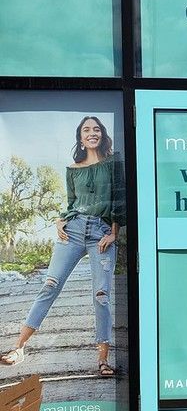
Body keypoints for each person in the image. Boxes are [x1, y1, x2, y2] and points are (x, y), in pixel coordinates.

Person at [1, 116, 126, 376]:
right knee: (50, 285)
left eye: (96, 129)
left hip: (101, 234)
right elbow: (72, 204)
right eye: (86, 130)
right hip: (74, 230)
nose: (92, 133)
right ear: (80, 138)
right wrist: (61, 219)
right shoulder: (72, 168)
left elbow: (120, 199)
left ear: (102, 134)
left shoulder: (114, 163)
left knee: (101, 296)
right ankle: (19, 347)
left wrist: (114, 233)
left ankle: (103, 359)